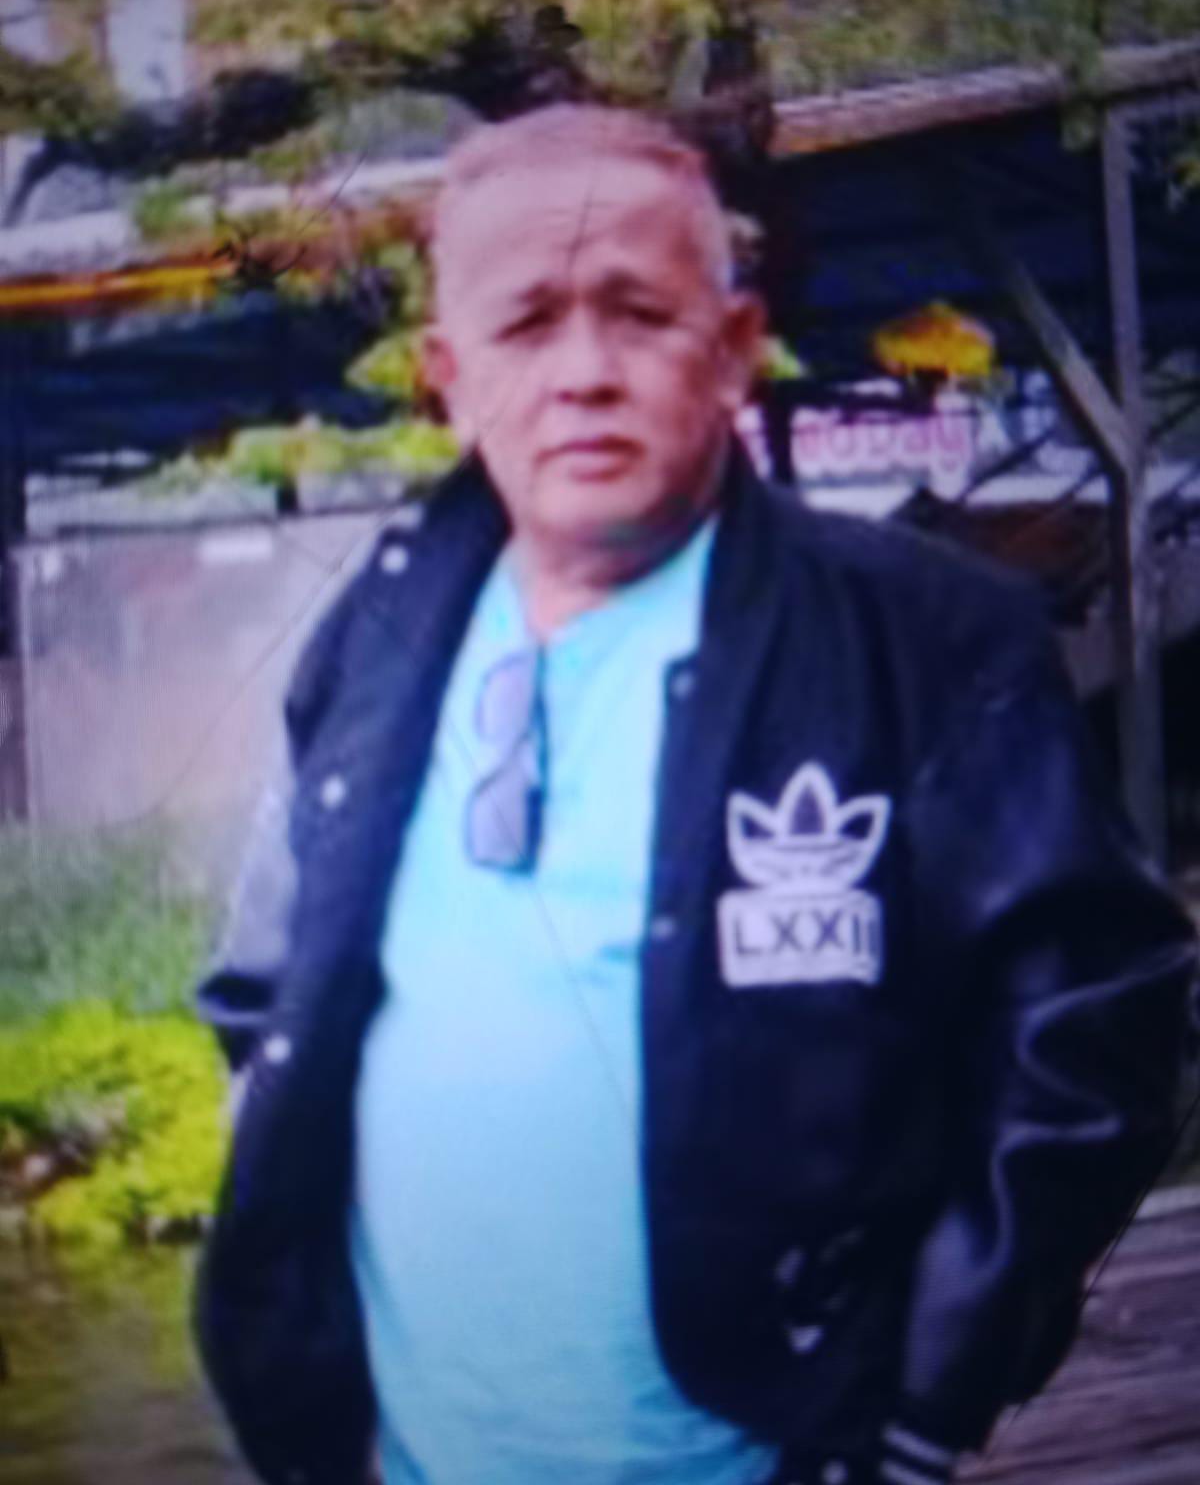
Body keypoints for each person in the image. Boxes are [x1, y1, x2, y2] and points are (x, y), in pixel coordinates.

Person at [194, 104, 1197, 1485]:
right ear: (448, 378)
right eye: (527, 323)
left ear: (732, 348)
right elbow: (265, 994)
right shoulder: (371, 637)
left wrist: (929, 1396)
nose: (584, 373)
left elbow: (1098, 1024)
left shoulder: (922, 638)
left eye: (640, 314)